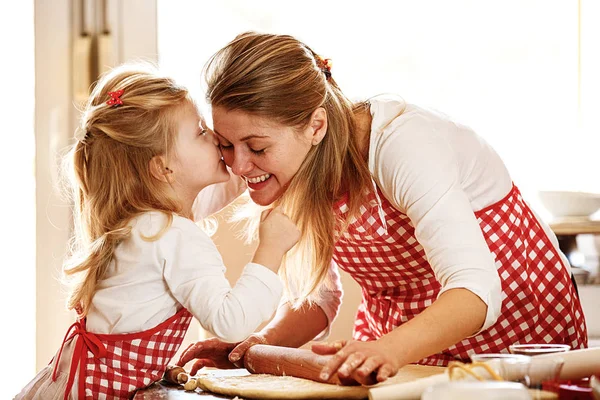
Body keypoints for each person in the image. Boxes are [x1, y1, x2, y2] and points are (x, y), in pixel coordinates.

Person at [177, 31, 588, 385]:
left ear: (316, 125)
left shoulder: (402, 144)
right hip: (405, 347)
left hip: (515, 334)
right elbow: (322, 301)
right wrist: (257, 347)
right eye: (226, 145)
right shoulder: (298, 160)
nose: (238, 165)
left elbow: (475, 291)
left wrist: (387, 350)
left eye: (257, 147)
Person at [15, 62, 299, 400]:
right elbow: (231, 322)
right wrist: (271, 248)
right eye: (200, 132)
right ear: (163, 167)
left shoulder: (144, 223)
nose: (216, 138)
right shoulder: (172, 235)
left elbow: (230, 183)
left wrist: (262, 162)